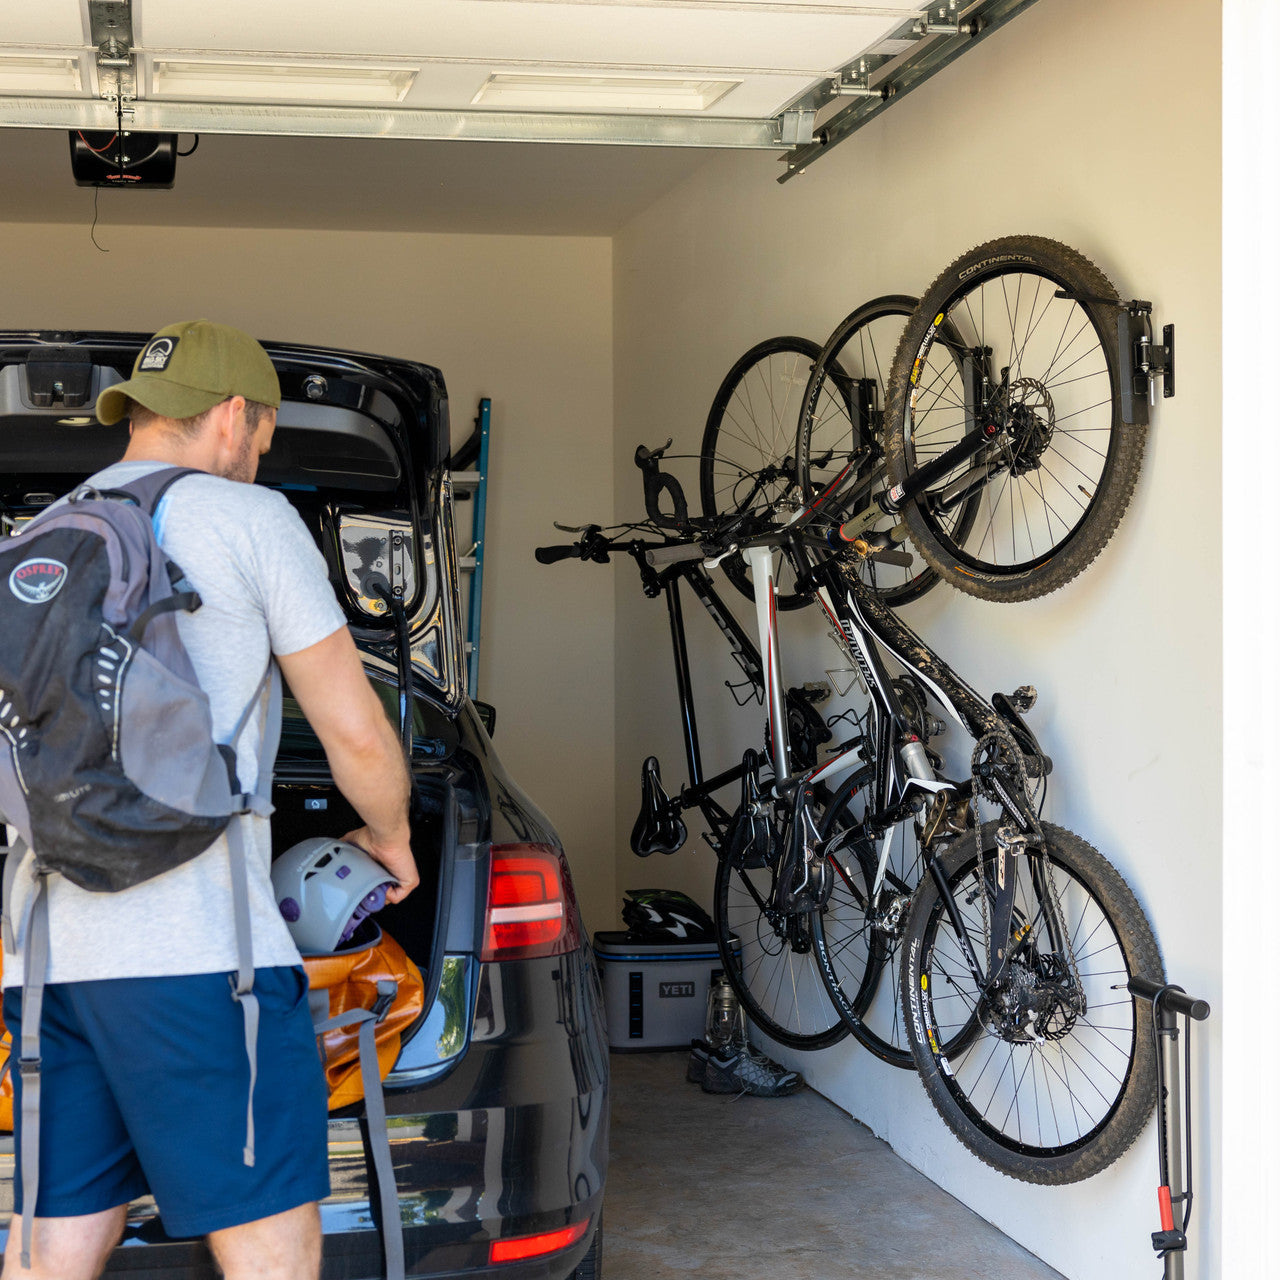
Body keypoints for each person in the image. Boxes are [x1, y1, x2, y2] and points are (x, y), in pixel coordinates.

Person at [0, 319, 417, 1280]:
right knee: (274, 1244)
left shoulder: (43, 534)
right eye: (264, 438)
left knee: (55, 1241)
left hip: (49, 962)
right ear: (234, 415)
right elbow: (353, 729)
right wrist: (392, 838)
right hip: (200, 961)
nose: (260, 457)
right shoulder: (249, 521)